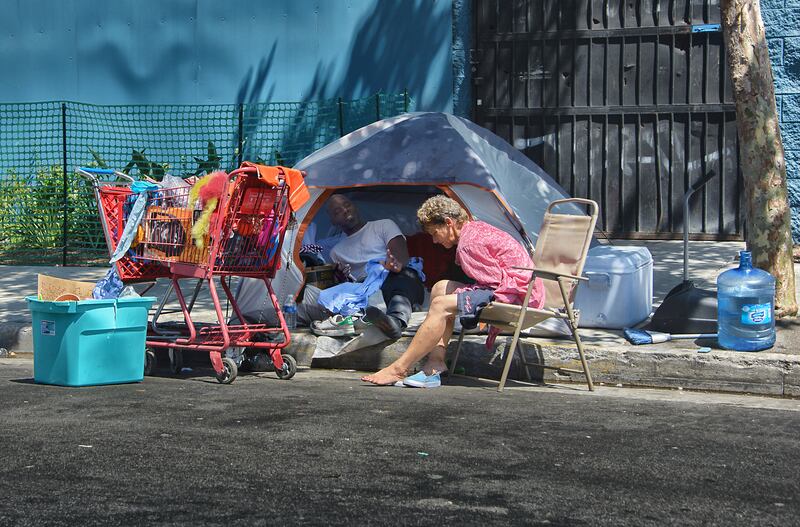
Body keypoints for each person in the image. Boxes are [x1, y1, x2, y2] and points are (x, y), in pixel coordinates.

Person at [361, 195, 545, 388]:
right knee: (440, 288)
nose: (434, 240)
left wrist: (461, 296)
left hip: (518, 296)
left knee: (442, 304)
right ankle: (435, 363)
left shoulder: (468, 244)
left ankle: (398, 369)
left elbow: (493, 284)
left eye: (435, 232)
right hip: (519, 288)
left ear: (449, 223)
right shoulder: (474, 230)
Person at [305, 194, 425, 338]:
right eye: (337, 211)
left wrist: (394, 266)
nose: (345, 210)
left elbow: (402, 259)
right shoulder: (337, 251)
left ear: (355, 207)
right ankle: (377, 318)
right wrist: (340, 277)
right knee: (341, 295)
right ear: (333, 220)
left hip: (398, 278)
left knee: (403, 276)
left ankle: (395, 323)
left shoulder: (383, 225)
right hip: (368, 291)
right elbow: (352, 284)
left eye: (347, 205)